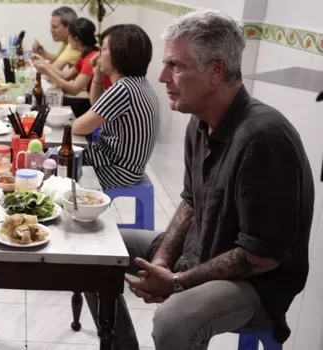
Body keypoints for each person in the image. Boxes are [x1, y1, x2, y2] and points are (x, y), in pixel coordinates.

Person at [86, 10, 315, 350]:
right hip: (203, 250)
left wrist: (176, 282)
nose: (162, 76)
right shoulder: (201, 122)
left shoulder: (263, 138)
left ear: (216, 70)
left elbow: (261, 256)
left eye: (175, 66)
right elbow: (192, 201)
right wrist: (163, 261)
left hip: (258, 282)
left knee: (174, 320)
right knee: (95, 254)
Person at [71, 24, 158, 188]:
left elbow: (78, 127)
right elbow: (97, 104)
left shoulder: (123, 89)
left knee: (56, 161)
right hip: (129, 167)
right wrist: (97, 72)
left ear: (118, 55)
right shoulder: (138, 84)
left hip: (115, 169)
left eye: (103, 49)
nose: (98, 54)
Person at [33, 17, 111, 117]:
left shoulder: (91, 59)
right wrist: (44, 64)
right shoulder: (85, 54)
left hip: (101, 105)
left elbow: (74, 90)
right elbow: (66, 76)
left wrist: (47, 71)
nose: (68, 40)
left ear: (76, 39)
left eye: (70, 36)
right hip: (94, 102)